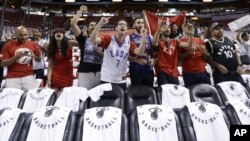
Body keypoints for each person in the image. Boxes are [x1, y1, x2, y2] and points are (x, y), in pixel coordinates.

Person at [90, 17, 146, 90]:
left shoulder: (129, 42)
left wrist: (144, 37)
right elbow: (93, 39)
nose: (123, 25)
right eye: (120, 24)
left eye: (125, 25)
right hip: (107, 78)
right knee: (108, 101)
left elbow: (140, 52)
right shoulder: (109, 39)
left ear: (126, 29)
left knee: (122, 100)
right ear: (116, 28)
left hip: (121, 79)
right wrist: (100, 24)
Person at [70, 5, 103, 89]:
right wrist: (80, 11)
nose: (93, 26)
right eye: (91, 25)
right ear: (88, 27)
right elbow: (73, 24)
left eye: (95, 25)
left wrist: (100, 53)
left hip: (100, 72)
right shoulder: (83, 38)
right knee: (83, 97)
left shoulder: (103, 40)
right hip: (85, 72)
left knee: (97, 99)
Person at [1, 26, 40, 91]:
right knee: (13, 99)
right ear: (15, 34)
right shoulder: (7, 46)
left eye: (25, 35)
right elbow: (2, 64)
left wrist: (34, 56)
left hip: (28, 76)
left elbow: (39, 60)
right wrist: (16, 57)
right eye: (21, 35)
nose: (24, 37)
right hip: (12, 77)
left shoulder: (33, 44)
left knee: (30, 98)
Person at [179, 23, 211, 87]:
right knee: (191, 94)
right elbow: (179, 58)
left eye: (192, 27)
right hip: (189, 73)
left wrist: (204, 52)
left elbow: (207, 57)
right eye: (189, 27)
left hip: (203, 72)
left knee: (207, 92)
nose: (191, 29)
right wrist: (189, 52)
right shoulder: (180, 41)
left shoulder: (200, 40)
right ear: (184, 30)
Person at [152, 19, 180, 86]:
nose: (167, 29)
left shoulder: (175, 41)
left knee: (175, 93)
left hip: (174, 72)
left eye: (168, 28)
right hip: (162, 71)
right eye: (164, 27)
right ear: (160, 31)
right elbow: (154, 43)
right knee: (165, 93)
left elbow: (187, 45)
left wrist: (190, 35)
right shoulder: (158, 41)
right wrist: (158, 29)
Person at [129, 17, 154, 87]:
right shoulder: (129, 37)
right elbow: (128, 56)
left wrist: (153, 60)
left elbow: (154, 51)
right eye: (138, 22)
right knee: (137, 93)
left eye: (142, 23)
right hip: (135, 70)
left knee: (149, 91)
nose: (141, 24)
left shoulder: (149, 36)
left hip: (148, 70)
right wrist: (136, 60)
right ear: (134, 25)